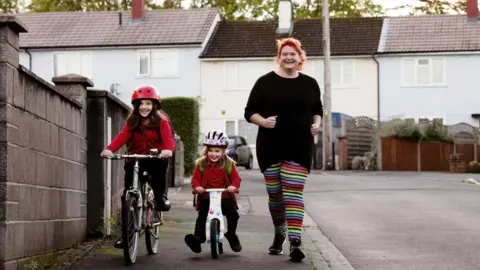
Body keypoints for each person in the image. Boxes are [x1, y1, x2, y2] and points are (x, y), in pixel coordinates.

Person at [243, 37, 323, 262]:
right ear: (279, 58)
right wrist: (263, 122)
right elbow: (249, 111)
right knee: (276, 198)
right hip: (270, 147)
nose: (289, 57)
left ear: (300, 57)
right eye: (284, 54)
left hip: (299, 146)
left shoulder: (310, 83)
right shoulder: (265, 82)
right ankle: (280, 233)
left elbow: (317, 109)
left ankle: (295, 242)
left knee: (293, 194)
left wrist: (317, 124)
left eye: (293, 54)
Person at [100, 85, 176, 248]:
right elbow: (122, 136)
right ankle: (126, 235)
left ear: (154, 105)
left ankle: (160, 197)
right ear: (136, 105)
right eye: (141, 104)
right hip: (135, 157)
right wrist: (109, 149)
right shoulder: (132, 121)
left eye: (148, 103)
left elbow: (169, 139)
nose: (144, 107)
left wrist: (167, 150)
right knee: (128, 194)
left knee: (158, 177)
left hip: (156, 157)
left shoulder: (161, 121)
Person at [184, 129, 242, 254]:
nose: (213, 154)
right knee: (202, 216)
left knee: (233, 215)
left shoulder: (229, 164)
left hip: (225, 196)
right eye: (211, 150)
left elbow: (236, 178)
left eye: (217, 151)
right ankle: (197, 239)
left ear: (223, 151)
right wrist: (197, 187)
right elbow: (195, 179)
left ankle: (231, 235)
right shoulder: (201, 163)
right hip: (206, 196)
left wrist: (233, 186)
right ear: (206, 150)